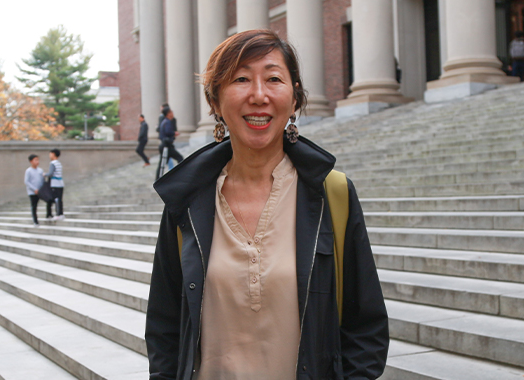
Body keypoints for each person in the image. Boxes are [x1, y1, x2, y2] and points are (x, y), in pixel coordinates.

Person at [146, 30, 388, 380]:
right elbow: (164, 326)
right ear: (215, 102)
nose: (258, 95)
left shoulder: (331, 193)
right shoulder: (187, 199)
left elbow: (365, 325)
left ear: (294, 100)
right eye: (241, 79)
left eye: (273, 78)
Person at [155, 108, 183, 180]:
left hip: (166, 146)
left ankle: (158, 178)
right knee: (179, 158)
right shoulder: (167, 122)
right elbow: (168, 132)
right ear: (168, 113)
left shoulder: (165, 122)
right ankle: (159, 179)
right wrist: (174, 133)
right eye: (171, 112)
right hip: (166, 146)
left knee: (163, 163)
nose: (173, 113)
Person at [25, 154, 45, 226]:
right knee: (34, 206)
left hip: (40, 191)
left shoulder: (40, 170)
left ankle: (49, 214)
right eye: (35, 160)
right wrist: (34, 189)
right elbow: (27, 182)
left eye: (38, 160)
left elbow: (42, 180)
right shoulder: (28, 171)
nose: (37, 161)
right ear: (31, 161)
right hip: (32, 192)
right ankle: (35, 221)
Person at [45, 149, 65, 221]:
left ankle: (58, 214)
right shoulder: (59, 163)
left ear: (53, 154)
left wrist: (44, 174)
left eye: (50, 154)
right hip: (61, 183)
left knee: (56, 199)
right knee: (59, 199)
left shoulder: (53, 163)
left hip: (55, 184)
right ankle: (61, 214)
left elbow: (50, 173)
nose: (49, 155)